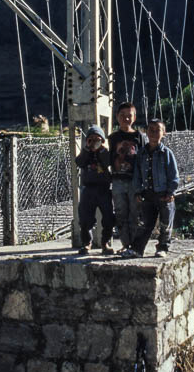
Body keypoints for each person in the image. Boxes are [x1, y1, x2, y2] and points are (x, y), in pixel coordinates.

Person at [126, 118, 179, 258]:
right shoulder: (141, 154)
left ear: (164, 133)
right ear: (146, 132)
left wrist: (171, 192)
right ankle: (137, 249)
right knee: (145, 223)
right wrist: (138, 191)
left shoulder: (167, 153)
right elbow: (137, 175)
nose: (154, 133)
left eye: (158, 130)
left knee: (165, 223)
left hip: (164, 194)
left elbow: (174, 175)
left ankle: (162, 248)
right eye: (151, 130)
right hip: (147, 194)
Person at [107, 102, 148, 252]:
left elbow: (145, 158)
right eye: (122, 116)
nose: (126, 119)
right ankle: (126, 244)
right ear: (117, 117)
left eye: (129, 116)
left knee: (135, 213)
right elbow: (108, 158)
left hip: (134, 181)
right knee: (120, 213)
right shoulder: (112, 138)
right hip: (117, 180)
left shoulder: (140, 136)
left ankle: (134, 245)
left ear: (134, 117)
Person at [74, 124, 115, 255]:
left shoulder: (105, 152)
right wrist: (87, 149)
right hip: (89, 189)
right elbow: (79, 162)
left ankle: (105, 243)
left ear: (102, 140)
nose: (93, 142)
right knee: (85, 218)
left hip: (104, 189)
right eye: (90, 139)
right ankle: (86, 243)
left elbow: (109, 161)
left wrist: (101, 148)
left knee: (109, 217)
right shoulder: (85, 152)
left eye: (97, 139)